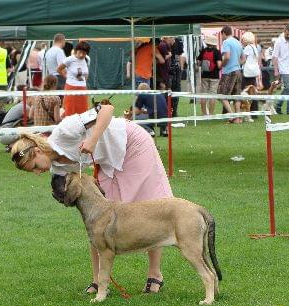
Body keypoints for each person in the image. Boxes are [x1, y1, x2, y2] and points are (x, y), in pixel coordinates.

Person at [10, 104, 172, 295]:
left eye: (35, 166)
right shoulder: (58, 169)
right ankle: (98, 281)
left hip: (131, 144)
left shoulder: (65, 131)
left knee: (148, 210)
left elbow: (107, 109)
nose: (38, 173)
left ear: (37, 151)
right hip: (107, 161)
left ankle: (155, 274)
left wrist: (93, 140)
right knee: (97, 222)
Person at [217, 26, 245, 123]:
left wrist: (221, 65)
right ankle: (238, 118)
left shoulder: (226, 42)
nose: (222, 37)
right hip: (238, 70)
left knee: (222, 94)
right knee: (236, 95)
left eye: (222, 35)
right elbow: (244, 59)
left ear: (224, 33)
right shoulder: (238, 42)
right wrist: (237, 64)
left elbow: (227, 56)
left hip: (229, 71)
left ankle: (232, 115)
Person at [57, 41, 90, 116]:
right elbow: (59, 69)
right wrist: (66, 77)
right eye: (80, 52)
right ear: (76, 51)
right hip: (71, 88)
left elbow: (86, 73)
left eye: (84, 53)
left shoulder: (86, 60)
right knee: (70, 110)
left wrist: (84, 82)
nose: (82, 55)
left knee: (83, 110)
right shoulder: (69, 59)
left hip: (82, 89)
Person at [197, 34, 222, 115]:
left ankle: (204, 113)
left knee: (203, 95)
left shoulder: (203, 50)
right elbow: (219, 65)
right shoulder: (217, 52)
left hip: (204, 75)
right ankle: (211, 114)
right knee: (212, 95)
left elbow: (198, 63)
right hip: (214, 76)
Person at [241, 32, 261, 113]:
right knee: (253, 92)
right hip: (253, 72)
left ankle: (246, 110)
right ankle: (254, 110)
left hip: (247, 73)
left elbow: (244, 60)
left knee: (245, 91)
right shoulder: (254, 47)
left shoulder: (247, 48)